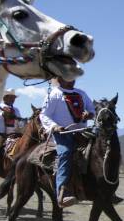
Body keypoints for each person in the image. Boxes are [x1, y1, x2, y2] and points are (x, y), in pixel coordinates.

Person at [40, 77, 95, 208]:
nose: (72, 79)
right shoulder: (54, 93)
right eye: (68, 76)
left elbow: (92, 110)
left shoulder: (81, 93)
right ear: (60, 79)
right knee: (66, 153)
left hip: (82, 131)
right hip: (62, 133)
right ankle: (62, 193)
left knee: (100, 147)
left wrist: (89, 114)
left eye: (73, 76)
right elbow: (44, 115)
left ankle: (105, 187)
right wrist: (55, 126)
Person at [0, 90, 23, 178]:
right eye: (11, 97)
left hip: (14, 133)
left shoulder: (16, 110)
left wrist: (19, 120)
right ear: (5, 98)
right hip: (1, 133)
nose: (13, 99)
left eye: (14, 98)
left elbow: (20, 123)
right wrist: (3, 114)